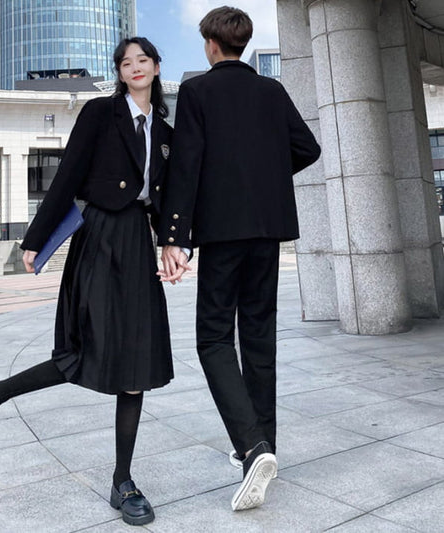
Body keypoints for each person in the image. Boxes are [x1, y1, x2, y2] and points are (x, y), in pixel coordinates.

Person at [0, 37, 174, 527]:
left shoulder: (164, 131)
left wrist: (175, 244)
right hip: (99, 237)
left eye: (143, 60)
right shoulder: (100, 113)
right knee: (82, 350)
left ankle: (123, 482)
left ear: (157, 68)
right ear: (119, 73)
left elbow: (166, 197)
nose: (135, 67)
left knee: (137, 362)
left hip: (138, 242)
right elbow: (69, 175)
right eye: (126, 62)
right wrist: (35, 238)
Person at [158, 6, 321, 512]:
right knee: (258, 334)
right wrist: (264, 173)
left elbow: (187, 164)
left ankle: (252, 447)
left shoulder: (197, 91)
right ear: (243, 44)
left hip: (222, 231)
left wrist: (174, 236)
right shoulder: (271, 90)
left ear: (211, 44)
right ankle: (263, 441)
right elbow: (308, 148)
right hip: (268, 229)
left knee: (212, 337)